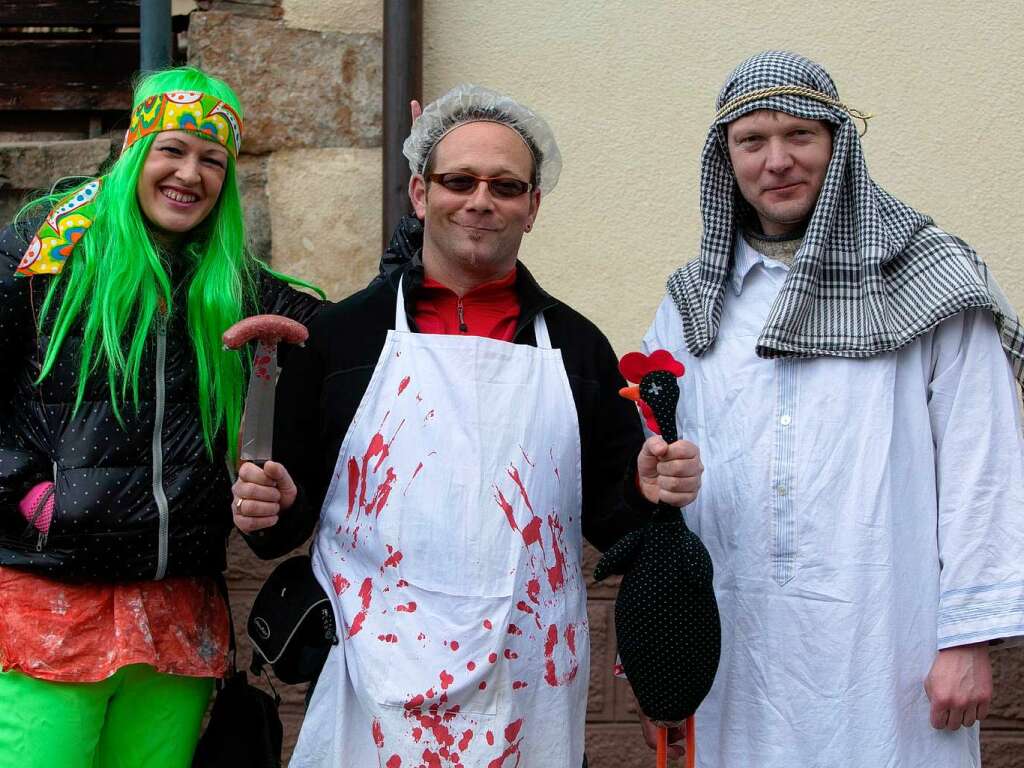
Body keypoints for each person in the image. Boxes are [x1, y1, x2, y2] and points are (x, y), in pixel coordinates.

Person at [231, 84, 703, 767]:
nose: (481, 200)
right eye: (460, 181)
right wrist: (267, 505)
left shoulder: (576, 347)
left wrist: (643, 484)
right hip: (375, 682)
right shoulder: (337, 339)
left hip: (529, 681)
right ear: (422, 195)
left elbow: (608, 521)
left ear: (533, 207)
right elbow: (282, 524)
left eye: (506, 186)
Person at [640, 50, 1024, 766]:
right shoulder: (693, 301)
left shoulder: (935, 277)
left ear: (838, 144)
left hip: (891, 648)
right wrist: (655, 472)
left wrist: (970, 638)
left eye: (801, 136)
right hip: (736, 649)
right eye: (752, 140)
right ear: (726, 158)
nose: (777, 160)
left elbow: (986, 465)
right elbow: (660, 464)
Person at [0, 66, 321, 768]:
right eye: (172, 149)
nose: (190, 174)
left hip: (178, 613)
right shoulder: (45, 256)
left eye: (212, 160)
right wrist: (28, 496)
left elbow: (345, 342)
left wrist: (418, 218)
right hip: (48, 598)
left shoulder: (233, 283)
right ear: (133, 149)